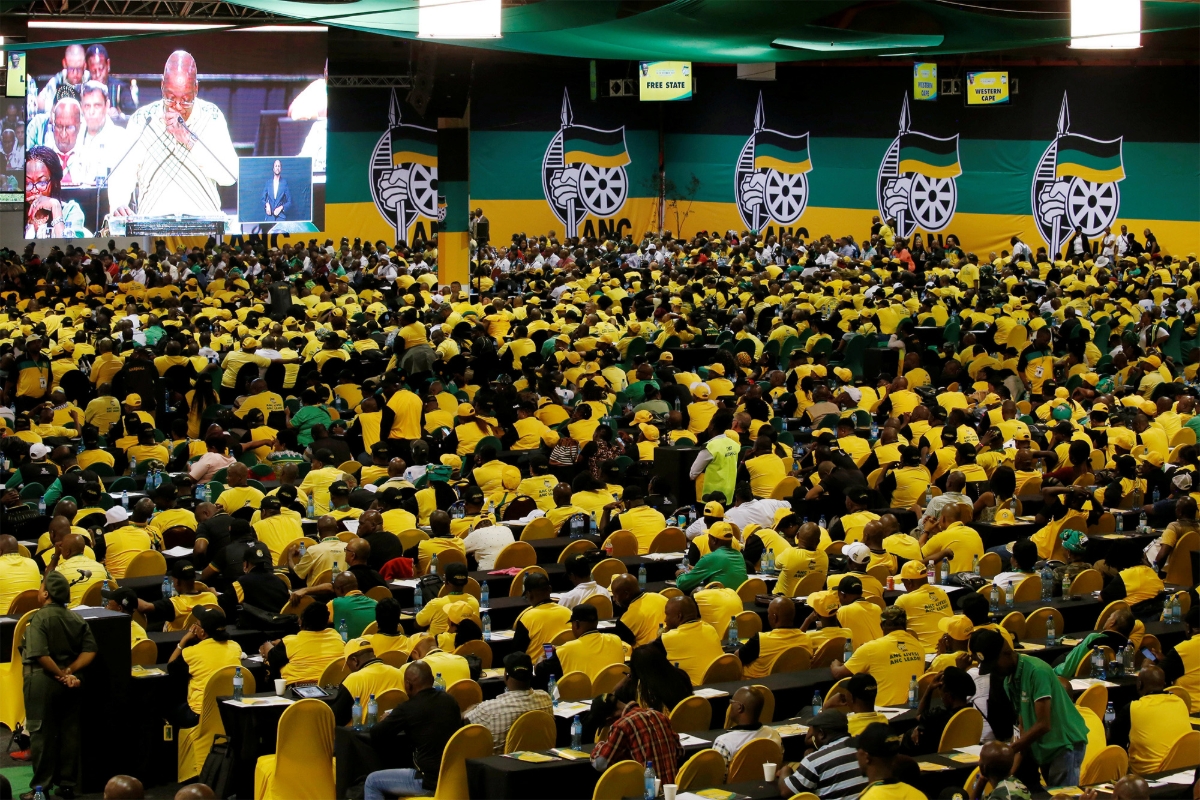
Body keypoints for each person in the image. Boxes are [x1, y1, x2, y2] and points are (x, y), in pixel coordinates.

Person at [108, 50, 238, 219]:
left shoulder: (211, 116)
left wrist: (189, 140)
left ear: (196, 89)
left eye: (185, 99)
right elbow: (122, 173)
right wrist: (119, 202)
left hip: (204, 226)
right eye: (170, 97)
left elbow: (229, 175)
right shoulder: (143, 119)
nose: (177, 106)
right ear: (162, 86)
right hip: (153, 227)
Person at [969, 629, 1089, 788]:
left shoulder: (1036, 671)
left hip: (1065, 745)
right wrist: (1008, 771)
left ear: (1006, 653)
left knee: (1062, 797)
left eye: (994, 664)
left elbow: (1043, 724)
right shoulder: (1008, 681)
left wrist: (1008, 751)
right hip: (1045, 748)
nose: (993, 671)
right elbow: (1022, 726)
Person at [21, 571, 97, 800]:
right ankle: (67, 785)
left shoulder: (39, 618)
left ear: (45, 593)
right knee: (69, 733)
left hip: (43, 681)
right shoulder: (76, 618)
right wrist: (70, 672)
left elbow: (40, 654)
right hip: (72, 683)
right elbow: (90, 649)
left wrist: (58, 674)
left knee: (41, 734)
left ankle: (40, 789)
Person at [363, 661, 463, 799]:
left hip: (427, 781)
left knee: (372, 781)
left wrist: (390, 718)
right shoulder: (451, 701)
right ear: (433, 680)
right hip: (455, 779)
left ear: (408, 685)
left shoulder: (407, 708)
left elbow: (376, 733)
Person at [590, 679, 684, 783]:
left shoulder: (621, 726)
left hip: (647, 792)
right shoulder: (660, 715)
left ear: (609, 720)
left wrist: (600, 745)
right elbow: (679, 751)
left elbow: (600, 764)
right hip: (672, 792)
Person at [1107, 664, 1192, 776]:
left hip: (1148, 774)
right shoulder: (1180, 702)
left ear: (1139, 684)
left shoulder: (1133, 708)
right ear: (1164, 685)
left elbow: (1113, 741)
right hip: (1183, 769)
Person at [831, 606, 925, 707]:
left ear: (882, 625)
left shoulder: (870, 648)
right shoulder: (918, 645)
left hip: (885, 710)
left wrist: (835, 663)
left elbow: (838, 673)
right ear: (905, 625)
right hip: (913, 709)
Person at [166, 608, 241, 729]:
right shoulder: (235, 647)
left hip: (199, 713)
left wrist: (183, 640)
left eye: (197, 624)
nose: (194, 626)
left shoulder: (192, 653)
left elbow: (171, 666)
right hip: (229, 710)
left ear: (202, 632)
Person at [465, 651, 553, 752]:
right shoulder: (546, 699)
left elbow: (463, 723)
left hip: (499, 764)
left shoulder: (488, 709)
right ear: (531, 675)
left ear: (506, 675)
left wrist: (471, 709)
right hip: (540, 760)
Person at [776, 709, 867, 800]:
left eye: (814, 736)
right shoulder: (865, 748)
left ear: (821, 734)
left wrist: (785, 770)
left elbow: (786, 791)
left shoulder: (815, 760)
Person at [261, 601, 345, 683]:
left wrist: (268, 643)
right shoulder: (336, 637)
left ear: (301, 621)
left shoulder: (290, 642)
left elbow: (270, 655)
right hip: (331, 686)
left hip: (297, 688)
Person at [330, 637, 405, 727]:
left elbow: (338, 719)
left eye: (348, 665)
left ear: (355, 661)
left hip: (362, 737)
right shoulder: (399, 673)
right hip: (396, 733)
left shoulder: (353, 680)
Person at [903, 666, 977, 755]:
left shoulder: (938, 716)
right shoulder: (972, 713)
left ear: (949, 696)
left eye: (942, 695)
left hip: (932, 758)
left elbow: (919, 716)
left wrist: (929, 689)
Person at [737, 596, 810, 678]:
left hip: (754, 685)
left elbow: (736, 658)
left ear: (774, 618)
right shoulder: (806, 639)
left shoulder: (760, 640)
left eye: (769, 613)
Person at [658, 595, 724, 684]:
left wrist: (665, 631)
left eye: (667, 615)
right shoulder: (710, 629)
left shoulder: (668, 638)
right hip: (719, 684)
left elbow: (644, 655)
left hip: (694, 692)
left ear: (679, 616)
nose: (665, 620)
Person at [25, 146, 87, 238]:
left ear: (55, 183)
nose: (34, 190)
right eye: (28, 183)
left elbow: (70, 250)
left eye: (42, 183)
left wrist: (56, 208)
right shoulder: (16, 212)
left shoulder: (71, 211)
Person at [853, 722, 927, 800]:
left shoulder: (867, 798)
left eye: (858, 749)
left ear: (866, 757)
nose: (856, 755)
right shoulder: (918, 795)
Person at [892, 559, 952, 653]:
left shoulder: (903, 600)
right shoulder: (941, 592)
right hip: (948, 649)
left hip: (924, 653)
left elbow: (892, 633)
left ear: (909, 582)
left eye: (904, 583)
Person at [712, 686, 783, 765]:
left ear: (739, 707)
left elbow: (718, 776)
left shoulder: (724, 743)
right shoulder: (774, 734)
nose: (730, 705)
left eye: (732, 702)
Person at [512, 571, 572, 660]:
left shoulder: (527, 618)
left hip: (537, 669)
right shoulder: (568, 612)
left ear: (529, 594)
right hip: (566, 664)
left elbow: (517, 652)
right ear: (550, 589)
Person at [676, 521, 747, 593]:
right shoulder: (739, 555)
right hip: (737, 600)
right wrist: (697, 570)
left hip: (719, 601)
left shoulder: (709, 558)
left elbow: (683, 584)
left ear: (714, 540)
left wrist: (681, 574)